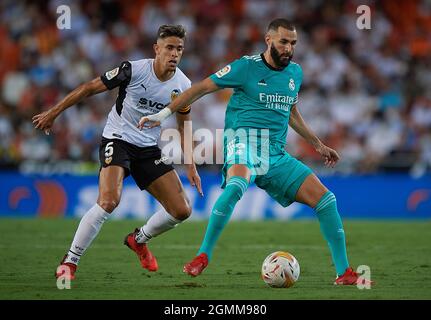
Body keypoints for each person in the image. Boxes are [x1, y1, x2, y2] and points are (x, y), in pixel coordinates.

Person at [138, 19, 368, 285]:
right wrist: (163, 114)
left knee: (327, 200)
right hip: (243, 143)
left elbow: (291, 112)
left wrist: (318, 144)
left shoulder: (295, 73)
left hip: (276, 154)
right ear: (268, 40)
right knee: (236, 186)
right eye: (283, 41)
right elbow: (199, 89)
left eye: (293, 43)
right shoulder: (245, 67)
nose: (288, 48)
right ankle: (203, 255)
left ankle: (344, 273)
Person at [32, 25, 202, 280]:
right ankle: (71, 260)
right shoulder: (132, 70)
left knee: (182, 210)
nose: (174, 54)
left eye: (179, 49)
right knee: (109, 201)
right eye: (169, 48)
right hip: (118, 139)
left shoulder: (183, 85)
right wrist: (53, 113)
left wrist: (191, 164)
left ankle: (138, 239)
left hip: (148, 149)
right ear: (157, 49)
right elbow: (89, 88)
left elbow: (183, 124)